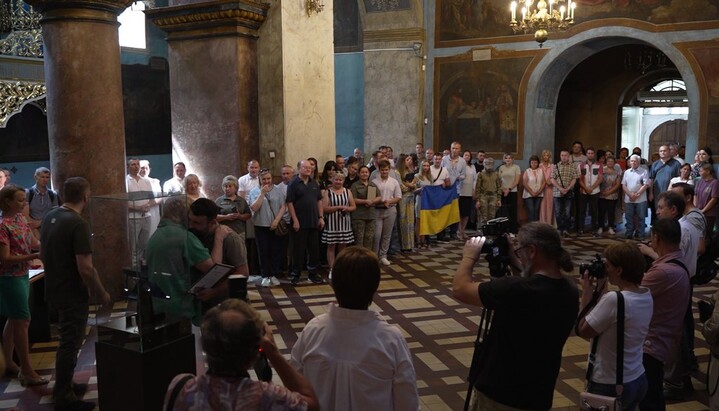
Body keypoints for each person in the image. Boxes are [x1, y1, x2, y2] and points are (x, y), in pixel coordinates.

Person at [452, 222, 579, 410]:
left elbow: (460, 289)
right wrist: (513, 258)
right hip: (539, 392)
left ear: (532, 251)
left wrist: (469, 257)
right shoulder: (569, 289)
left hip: (500, 394)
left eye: (520, 249)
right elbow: (534, 282)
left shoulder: (514, 289)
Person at [290, 246, 419, 411]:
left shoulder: (313, 331)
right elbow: (407, 403)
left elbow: (294, 386)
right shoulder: (390, 339)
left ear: (334, 283)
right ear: (375, 286)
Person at [165, 299, 319, 411]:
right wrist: (272, 351)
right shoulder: (268, 397)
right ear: (253, 354)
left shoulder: (181, 387)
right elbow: (311, 404)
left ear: (205, 345)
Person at [40, 177, 112, 411]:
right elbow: (85, 267)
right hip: (72, 292)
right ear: (85, 196)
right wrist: (101, 292)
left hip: (54, 288)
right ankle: (63, 396)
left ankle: (66, 384)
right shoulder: (77, 223)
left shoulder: (51, 215)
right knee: (70, 343)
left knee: (67, 340)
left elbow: (44, 252)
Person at [577, 241, 653, 409]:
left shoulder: (614, 300)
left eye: (609, 265)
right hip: (637, 377)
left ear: (619, 270)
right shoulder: (645, 295)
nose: (606, 269)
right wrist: (602, 286)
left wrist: (587, 293)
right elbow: (609, 316)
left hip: (610, 384)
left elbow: (583, 330)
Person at [146, 196, 229, 325]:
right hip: (182, 306)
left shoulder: (155, 236)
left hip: (158, 304)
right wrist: (219, 239)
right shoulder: (184, 237)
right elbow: (213, 269)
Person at [636, 218, 691, 410]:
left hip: (652, 344)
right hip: (666, 340)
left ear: (656, 238)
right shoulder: (679, 261)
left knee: (649, 398)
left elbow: (632, 295)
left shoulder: (663, 272)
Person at [0, 185, 45, 386]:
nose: (23, 204)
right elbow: (5, 258)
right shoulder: (3, 225)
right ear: (7, 202)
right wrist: (34, 256)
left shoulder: (20, 219)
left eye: (24, 200)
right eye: (19, 200)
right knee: (22, 321)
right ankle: (26, 370)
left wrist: (48, 246)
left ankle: (10, 362)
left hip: (22, 274)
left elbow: (33, 242)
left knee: (14, 318)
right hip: (9, 278)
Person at [188, 198, 249, 310]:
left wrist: (214, 292)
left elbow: (243, 272)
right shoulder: (194, 234)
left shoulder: (230, 239)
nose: (191, 225)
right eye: (190, 220)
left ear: (211, 222)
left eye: (197, 222)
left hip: (227, 304)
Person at [286, 160, 324, 285]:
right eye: (305, 167)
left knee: (314, 250)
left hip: (313, 222)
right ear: (299, 169)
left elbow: (319, 201)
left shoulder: (314, 183)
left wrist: (321, 217)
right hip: (299, 223)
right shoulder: (293, 183)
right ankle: (295, 274)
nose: (308, 169)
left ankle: (312, 274)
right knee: (298, 250)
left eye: (310, 167)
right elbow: (290, 202)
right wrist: (295, 220)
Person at [248, 169, 286, 288]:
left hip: (274, 225)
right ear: (259, 179)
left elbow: (283, 206)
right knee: (263, 251)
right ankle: (265, 275)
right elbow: (254, 208)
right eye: (264, 179)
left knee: (275, 251)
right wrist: (262, 193)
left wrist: (276, 220)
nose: (266, 181)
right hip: (261, 225)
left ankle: (273, 274)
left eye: (268, 178)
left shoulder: (278, 190)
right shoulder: (254, 191)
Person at [321, 172, 355, 274]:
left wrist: (347, 208)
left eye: (340, 180)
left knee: (342, 247)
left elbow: (353, 206)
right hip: (332, 224)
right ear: (332, 180)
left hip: (344, 224)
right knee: (331, 247)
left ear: (343, 181)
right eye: (336, 179)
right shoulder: (328, 192)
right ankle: (332, 269)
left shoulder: (347, 191)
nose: (338, 182)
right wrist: (338, 207)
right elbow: (324, 208)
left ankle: (341, 267)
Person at [126, 158, 154, 268]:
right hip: (133, 218)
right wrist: (138, 208)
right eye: (133, 164)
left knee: (143, 245)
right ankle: (133, 273)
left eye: (138, 164)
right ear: (128, 167)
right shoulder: (126, 181)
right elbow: (124, 203)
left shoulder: (146, 181)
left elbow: (152, 199)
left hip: (147, 217)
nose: (136, 166)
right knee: (132, 247)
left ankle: (140, 270)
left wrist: (148, 206)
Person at [373, 160, 401, 266]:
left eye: (386, 170)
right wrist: (379, 201)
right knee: (377, 235)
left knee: (387, 235)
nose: (384, 172)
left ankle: (383, 255)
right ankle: (374, 255)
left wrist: (389, 201)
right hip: (377, 209)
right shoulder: (374, 182)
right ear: (379, 170)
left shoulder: (394, 181)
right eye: (382, 170)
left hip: (390, 209)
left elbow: (398, 196)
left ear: (389, 170)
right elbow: (372, 197)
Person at [24, 167, 61, 239]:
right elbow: (25, 215)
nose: (45, 180)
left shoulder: (53, 194)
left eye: (47, 177)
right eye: (42, 177)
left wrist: (40, 222)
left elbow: (55, 214)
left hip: (49, 228)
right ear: (36, 177)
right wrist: (34, 230)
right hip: (32, 229)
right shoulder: (28, 193)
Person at [648, 145, 681, 224]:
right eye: (661, 151)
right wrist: (650, 193)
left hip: (671, 192)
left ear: (669, 152)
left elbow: (679, 178)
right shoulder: (655, 164)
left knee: (670, 211)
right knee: (659, 211)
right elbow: (651, 179)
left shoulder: (676, 164)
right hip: (657, 192)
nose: (662, 153)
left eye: (664, 151)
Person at [350, 165, 380, 250]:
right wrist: (365, 201)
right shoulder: (355, 185)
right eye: (362, 172)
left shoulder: (373, 185)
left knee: (369, 238)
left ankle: (367, 259)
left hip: (371, 215)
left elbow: (379, 197)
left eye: (366, 172)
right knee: (359, 239)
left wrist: (372, 201)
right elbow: (353, 199)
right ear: (359, 174)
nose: (364, 174)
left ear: (369, 173)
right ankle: (359, 260)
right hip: (359, 216)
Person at [551, 150, 579, 237]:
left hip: (569, 192)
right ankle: (560, 228)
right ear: (560, 156)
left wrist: (568, 188)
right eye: (562, 155)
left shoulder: (573, 166)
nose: (564, 157)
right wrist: (560, 188)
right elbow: (552, 178)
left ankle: (566, 229)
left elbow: (575, 178)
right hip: (557, 192)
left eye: (565, 155)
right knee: (558, 212)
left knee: (567, 212)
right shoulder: (556, 166)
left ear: (568, 156)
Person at [622, 154, 650, 240]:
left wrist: (637, 194)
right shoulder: (626, 172)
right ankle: (629, 233)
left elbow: (646, 184)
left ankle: (640, 233)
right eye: (631, 161)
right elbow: (623, 185)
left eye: (635, 161)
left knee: (641, 217)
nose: (633, 162)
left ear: (639, 162)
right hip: (628, 199)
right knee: (628, 217)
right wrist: (630, 194)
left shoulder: (644, 171)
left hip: (641, 199)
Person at [214, 175, 251, 239]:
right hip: (224, 233)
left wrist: (240, 216)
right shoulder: (218, 201)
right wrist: (226, 217)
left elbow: (248, 215)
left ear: (235, 188)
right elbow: (214, 217)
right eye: (225, 186)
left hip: (239, 232)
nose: (227, 188)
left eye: (230, 186)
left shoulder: (242, 200)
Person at [577, 147, 603, 235]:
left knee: (594, 211)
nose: (590, 155)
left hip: (595, 191)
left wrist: (591, 188)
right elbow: (579, 179)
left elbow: (600, 179)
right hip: (583, 191)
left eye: (592, 153)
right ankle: (581, 228)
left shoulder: (599, 165)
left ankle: (594, 229)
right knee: (582, 211)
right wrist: (586, 188)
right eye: (588, 153)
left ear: (594, 154)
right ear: (586, 154)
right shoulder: (581, 165)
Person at [396, 153, 417, 250]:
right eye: (407, 160)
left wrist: (411, 185)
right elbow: (401, 188)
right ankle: (403, 245)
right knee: (403, 221)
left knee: (410, 221)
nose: (410, 161)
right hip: (403, 198)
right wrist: (411, 186)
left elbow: (414, 185)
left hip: (411, 197)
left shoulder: (410, 171)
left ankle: (410, 244)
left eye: (410, 159)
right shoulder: (397, 172)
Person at [474, 157, 501, 231]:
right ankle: (482, 232)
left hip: (493, 196)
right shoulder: (481, 174)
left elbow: (499, 187)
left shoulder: (496, 174)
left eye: (490, 163)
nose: (489, 165)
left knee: (492, 215)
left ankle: (490, 232)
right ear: (484, 164)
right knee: (483, 215)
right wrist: (478, 200)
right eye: (487, 163)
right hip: (483, 196)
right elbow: (478, 188)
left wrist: (499, 199)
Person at [598, 155, 622, 236]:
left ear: (614, 163)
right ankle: (601, 227)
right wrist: (603, 192)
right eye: (608, 161)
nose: (610, 163)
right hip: (602, 193)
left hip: (613, 194)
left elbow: (618, 184)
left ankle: (611, 227)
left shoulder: (617, 172)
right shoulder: (602, 171)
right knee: (602, 211)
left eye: (612, 161)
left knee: (611, 212)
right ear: (606, 162)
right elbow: (598, 181)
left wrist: (609, 192)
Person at [498, 153, 521, 233]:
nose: (508, 159)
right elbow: (499, 181)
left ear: (512, 159)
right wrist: (503, 189)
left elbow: (517, 181)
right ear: (504, 159)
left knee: (512, 211)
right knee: (503, 211)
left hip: (512, 191)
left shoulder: (516, 167)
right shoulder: (501, 167)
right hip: (502, 191)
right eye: (506, 158)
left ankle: (513, 231)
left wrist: (509, 189)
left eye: (510, 158)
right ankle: (503, 230)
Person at [695, 163, 719, 236]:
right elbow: (695, 194)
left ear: (708, 171)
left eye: (701, 171)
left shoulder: (715, 182)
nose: (700, 173)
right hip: (698, 211)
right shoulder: (699, 182)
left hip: (709, 214)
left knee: (706, 235)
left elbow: (714, 198)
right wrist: (695, 207)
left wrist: (703, 210)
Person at [139, 160, 162, 235]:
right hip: (141, 211)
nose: (144, 170)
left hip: (154, 210)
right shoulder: (134, 181)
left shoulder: (155, 181)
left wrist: (149, 205)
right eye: (142, 168)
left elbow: (160, 198)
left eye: (146, 168)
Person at [414, 160, 433, 248]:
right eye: (424, 165)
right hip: (420, 199)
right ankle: (418, 240)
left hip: (428, 201)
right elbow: (413, 190)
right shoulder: (417, 176)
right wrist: (421, 189)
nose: (426, 167)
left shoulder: (430, 177)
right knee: (418, 221)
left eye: (427, 166)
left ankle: (423, 240)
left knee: (425, 221)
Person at [459, 150, 477, 240]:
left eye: (468, 155)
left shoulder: (472, 166)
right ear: (462, 156)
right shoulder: (459, 165)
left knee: (466, 213)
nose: (467, 157)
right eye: (465, 155)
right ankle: (459, 232)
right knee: (459, 213)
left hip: (469, 192)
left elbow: (475, 179)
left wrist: (474, 190)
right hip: (460, 192)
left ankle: (463, 230)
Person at [522, 155, 545, 223]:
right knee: (531, 210)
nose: (534, 164)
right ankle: (531, 227)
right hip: (528, 194)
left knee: (536, 210)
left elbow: (544, 182)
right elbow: (524, 183)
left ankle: (536, 227)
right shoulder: (527, 171)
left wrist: (539, 191)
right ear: (530, 163)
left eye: (535, 162)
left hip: (539, 194)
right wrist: (532, 192)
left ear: (538, 163)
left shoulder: (541, 170)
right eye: (532, 162)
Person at [539, 150, 555, 225]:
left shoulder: (552, 166)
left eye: (547, 155)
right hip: (541, 189)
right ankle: (542, 224)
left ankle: (549, 224)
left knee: (549, 206)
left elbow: (554, 176)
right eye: (544, 155)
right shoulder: (539, 166)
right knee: (542, 207)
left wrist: (550, 181)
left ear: (549, 157)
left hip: (550, 188)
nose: (546, 157)